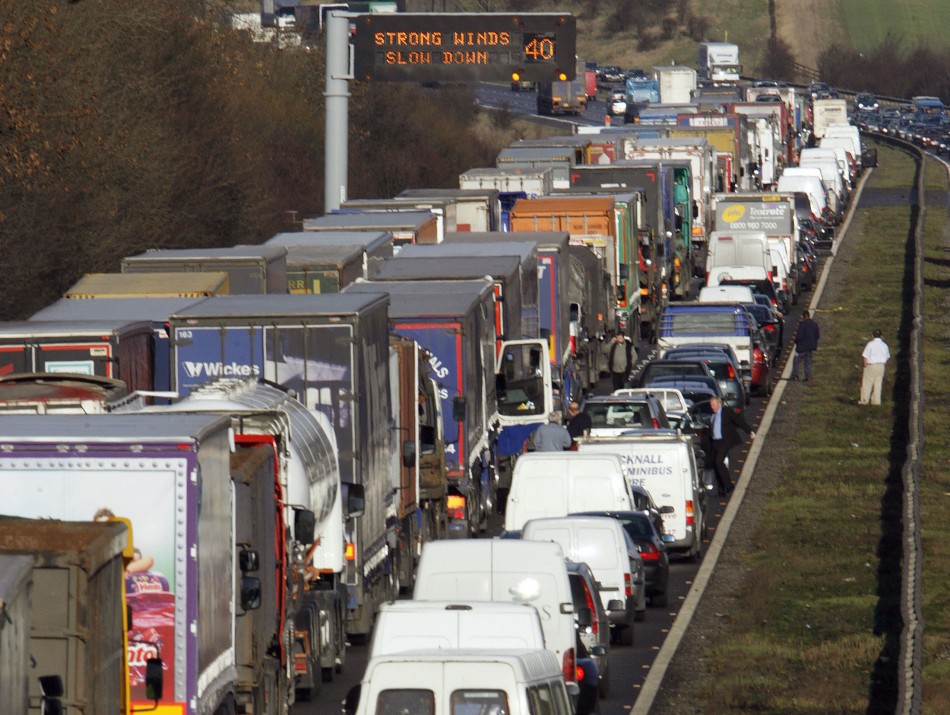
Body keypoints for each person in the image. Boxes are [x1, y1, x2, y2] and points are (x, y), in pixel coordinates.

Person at [707, 396, 755, 498]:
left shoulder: (726, 412)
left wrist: (749, 431)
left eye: (714, 405)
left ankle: (729, 486)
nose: (712, 407)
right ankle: (721, 488)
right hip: (715, 442)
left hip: (725, 441)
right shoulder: (713, 416)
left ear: (719, 404)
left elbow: (739, 421)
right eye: (711, 405)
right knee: (716, 465)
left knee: (719, 461)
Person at [860, 329, 890, 405]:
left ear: (872, 335)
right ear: (881, 336)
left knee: (867, 383)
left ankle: (864, 400)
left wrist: (865, 365)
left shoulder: (870, 344)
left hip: (871, 365)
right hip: (881, 366)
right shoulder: (884, 345)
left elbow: (865, 356)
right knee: (878, 384)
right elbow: (887, 356)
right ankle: (876, 401)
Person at [791, 310, 820, 381]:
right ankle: (808, 376)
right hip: (810, 347)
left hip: (802, 347)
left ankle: (795, 375)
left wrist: (796, 341)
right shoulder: (814, 324)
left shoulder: (802, 324)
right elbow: (817, 336)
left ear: (803, 316)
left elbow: (799, 336)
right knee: (808, 362)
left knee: (796, 361)